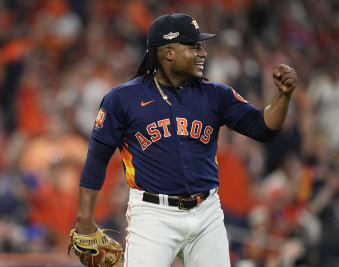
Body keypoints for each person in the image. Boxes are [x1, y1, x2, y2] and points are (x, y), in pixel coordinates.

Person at [72, 13, 297, 267]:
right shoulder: (122, 99)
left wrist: (283, 98)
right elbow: (97, 158)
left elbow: (263, 128)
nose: (203, 54)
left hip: (207, 211)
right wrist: (85, 218)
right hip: (153, 215)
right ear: (168, 52)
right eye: (194, 47)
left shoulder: (216, 94)